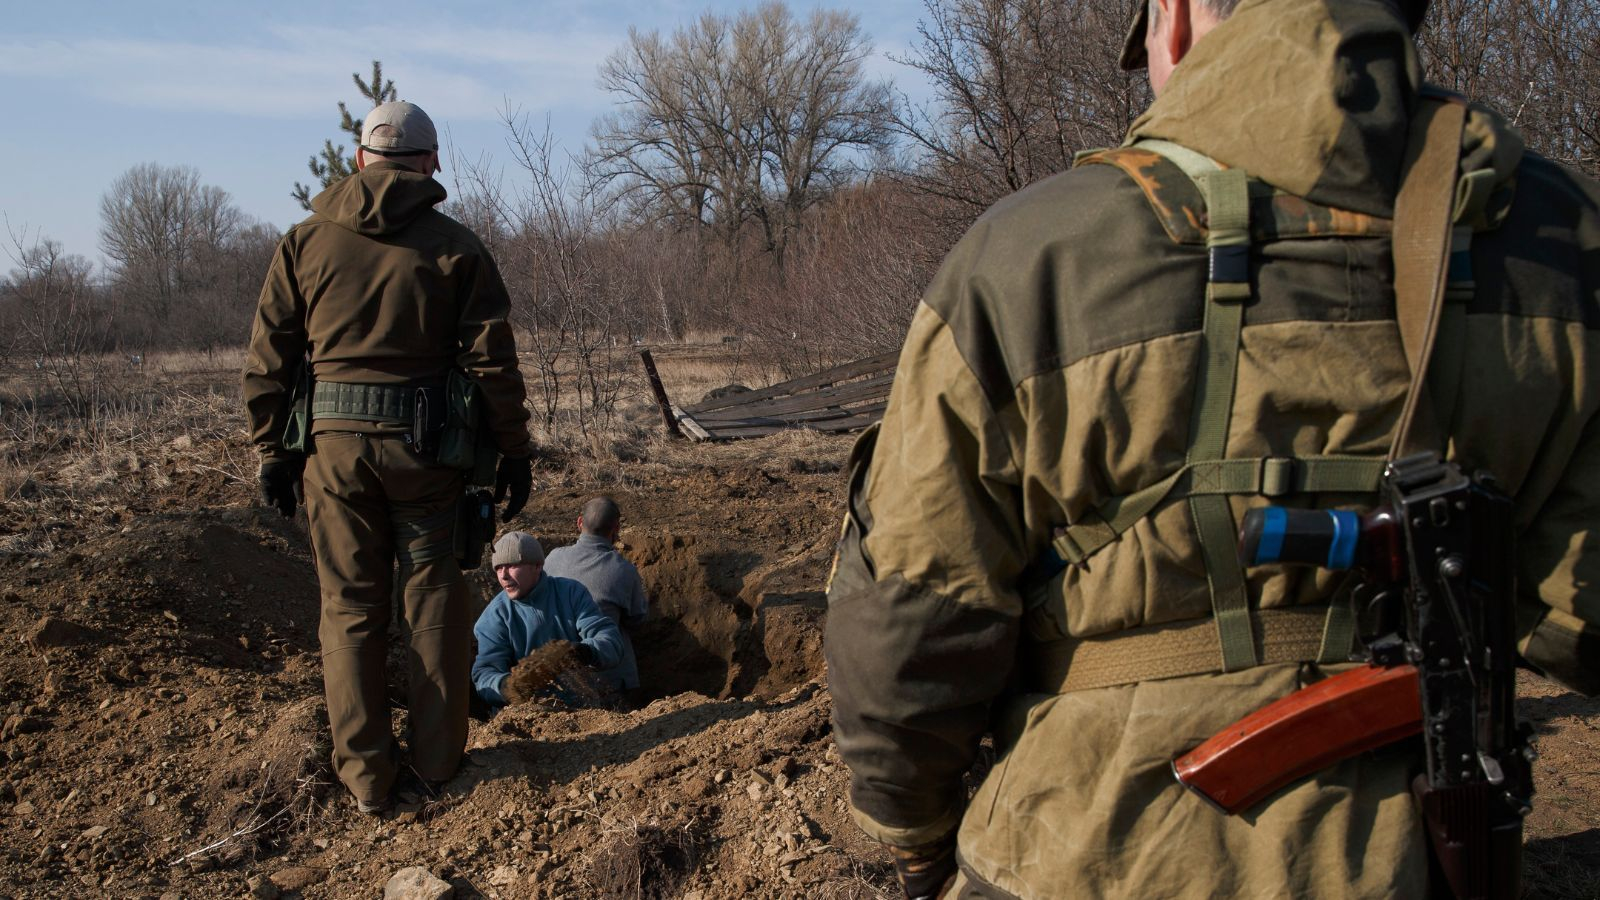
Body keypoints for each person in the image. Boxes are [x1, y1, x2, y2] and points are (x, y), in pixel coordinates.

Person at [823, 0, 1600, 897]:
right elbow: (1580, 620)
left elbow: (912, 620)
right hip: (1418, 851)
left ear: (1179, 17)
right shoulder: (1561, 240)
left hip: (1082, 850)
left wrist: (913, 833)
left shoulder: (1034, 255)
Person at [242, 100, 535, 815]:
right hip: (427, 454)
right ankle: (438, 765)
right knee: (433, 600)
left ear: (359, 159)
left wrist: (273, 451)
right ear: (432, 162)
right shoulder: (456, 247)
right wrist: (513, 452)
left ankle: (367, 778)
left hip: (333, 458)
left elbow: (268, 358)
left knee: (349, 609)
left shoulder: (303, 243)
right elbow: (492, 365)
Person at [472, 531, 624, 713]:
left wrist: (584, 652)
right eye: (498, 568)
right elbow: (484, 674)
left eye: (512, 565)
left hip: (584, 710)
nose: (503, 576)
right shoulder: (495, 616)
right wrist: (507, 687)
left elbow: (609, 638)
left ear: (537, 566)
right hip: (530, 717)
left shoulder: (571, 593)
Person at [542, 497, 650, 693]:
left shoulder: (553, 557)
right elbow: (637, 620)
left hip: (555, 666)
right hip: (603, 675)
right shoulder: (622, 569)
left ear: (579, 522)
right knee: (618, 632)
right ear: (616, 528)